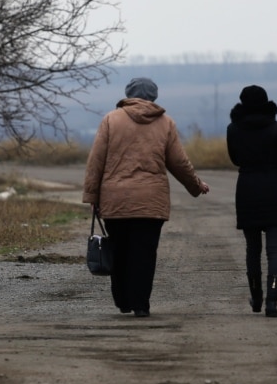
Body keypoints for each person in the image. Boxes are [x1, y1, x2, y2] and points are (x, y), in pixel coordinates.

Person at [83, 77, 210, 318]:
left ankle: (122, 301)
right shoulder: (165, 123)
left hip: (116, 199)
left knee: (119, 250)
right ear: (154, 96)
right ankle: (141, 304)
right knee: (144, 254)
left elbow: (95, 161)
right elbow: (179, 163)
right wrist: (196, 185)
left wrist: (92, 196)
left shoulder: (111, 119)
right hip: (151, 201)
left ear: (128, 94)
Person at [226, 84, 277, 318]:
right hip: (275, 191)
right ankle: (272, 300)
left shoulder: (233, 129)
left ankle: (256, 296)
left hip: (247, 190)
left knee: (252, 250)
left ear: (242, 102)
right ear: (266, 103)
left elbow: (235, 159)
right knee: (274, 251)